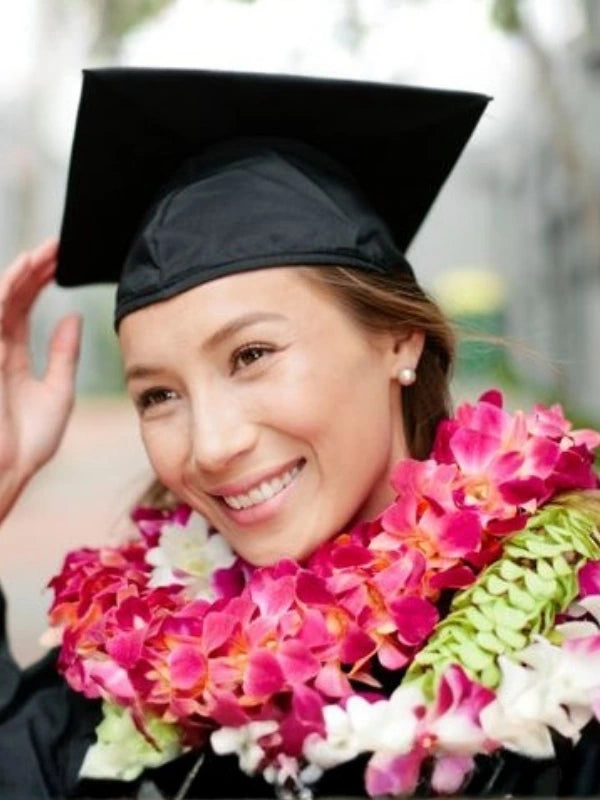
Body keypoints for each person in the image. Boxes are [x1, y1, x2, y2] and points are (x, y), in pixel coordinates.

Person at [1, 68, 600, 800]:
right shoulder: (138, 674)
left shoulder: (570, 642)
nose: (211, 446)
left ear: (399, 341)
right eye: (159, 394)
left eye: (251, 355)